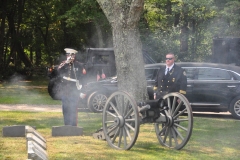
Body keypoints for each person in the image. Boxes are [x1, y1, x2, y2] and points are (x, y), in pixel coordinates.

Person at [58, 48, 86, 126]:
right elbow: (58, 71)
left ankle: (73, 126)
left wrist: (83, 90)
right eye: (69, 55)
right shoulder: (63, 64)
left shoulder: (79, 65)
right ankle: (66, 125)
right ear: (66, 56)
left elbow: (83, 79)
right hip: (65, 90)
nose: (71, 57)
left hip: (74, 90)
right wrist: (66, 62)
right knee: (65, 109)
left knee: (73, 108)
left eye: (72, 55)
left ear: (74, 56)